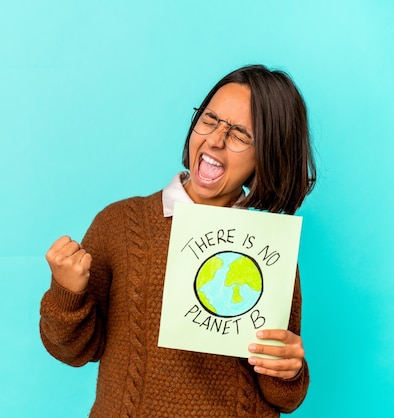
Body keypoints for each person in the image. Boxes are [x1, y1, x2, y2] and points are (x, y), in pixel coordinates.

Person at [39, 64, 316, 417]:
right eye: (210, 119)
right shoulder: (121, 225)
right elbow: (74, 351)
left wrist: (289, 370)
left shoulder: (268, 251)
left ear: (267, 154)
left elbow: (284, 397)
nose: (215, 139)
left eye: (240, 134)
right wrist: (67, 293)